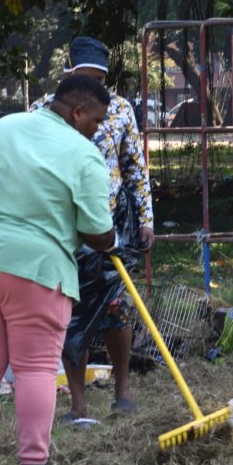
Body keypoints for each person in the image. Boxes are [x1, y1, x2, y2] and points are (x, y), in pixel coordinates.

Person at [0, 75, 116, 465]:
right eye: (96, 120)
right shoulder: (83, 154)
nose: (97, 130)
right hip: (34, 266)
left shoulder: (4, 126)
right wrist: (111, 240)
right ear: (77, 112)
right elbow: (97, 231)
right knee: (37, 367)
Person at [30, 36, 154, 420]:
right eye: (86, 77)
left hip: (106, 225)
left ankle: (122, 393)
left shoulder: (120, 111)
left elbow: (134, 165)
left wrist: (145, 218)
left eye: (100, 77)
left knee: (116, 308)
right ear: (71, 77)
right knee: (69, 313)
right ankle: (77, 404)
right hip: (62, 230)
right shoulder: (42, 111)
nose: (95, 85)